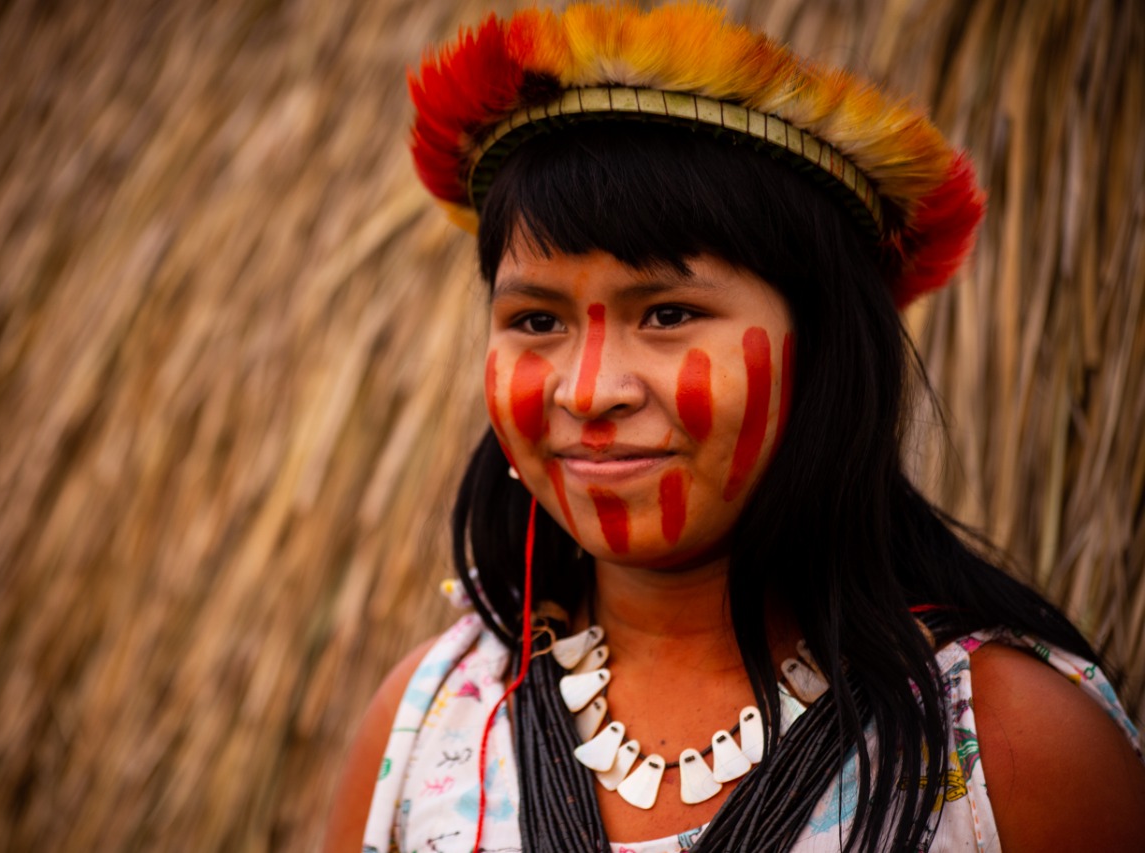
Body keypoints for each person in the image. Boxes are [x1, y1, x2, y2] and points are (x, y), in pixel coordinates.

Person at [325, 4, 1145, 850]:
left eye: (670, 312)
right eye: (536, 321)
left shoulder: (1011, 751)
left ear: (825, 353)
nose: (587, 389)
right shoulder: (426, 729)